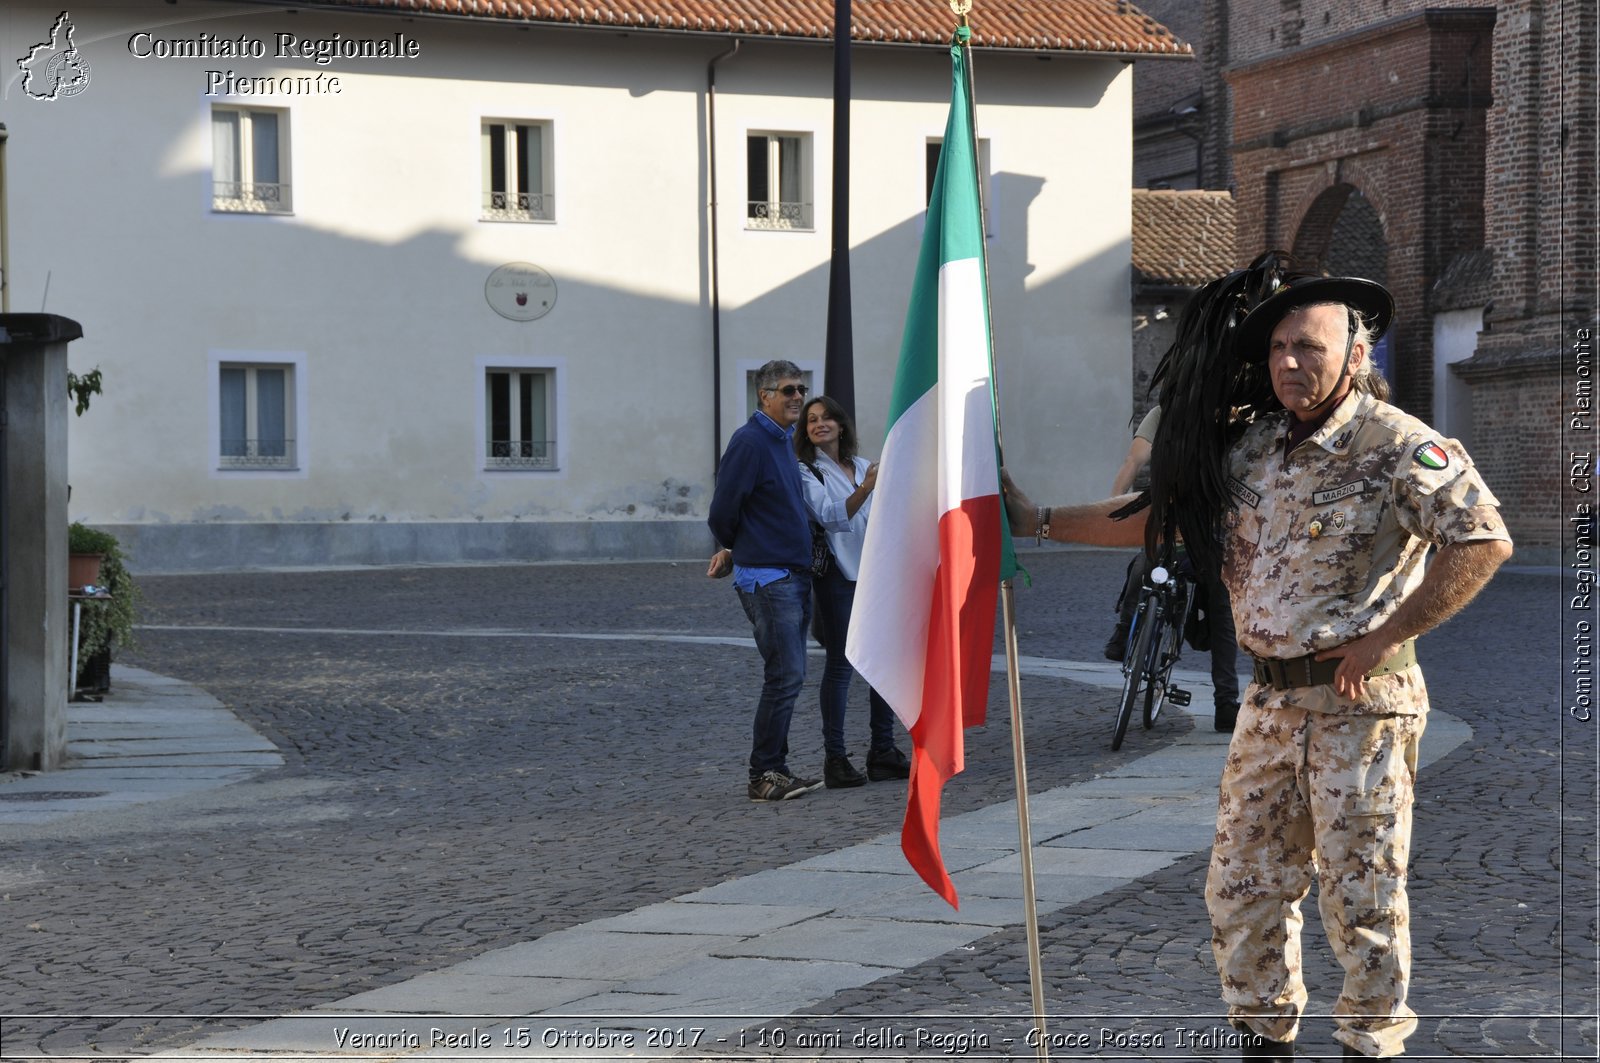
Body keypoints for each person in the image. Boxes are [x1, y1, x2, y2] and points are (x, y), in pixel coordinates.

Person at [1004, 269, 1513, 1060]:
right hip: (1270, 708)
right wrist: (1034, 521)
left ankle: (1367, 1047)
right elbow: (1159, 520)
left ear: (1355, 352)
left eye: (1308, 346)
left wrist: (1385, 635)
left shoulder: (1398, 443)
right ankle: (1263, 1041)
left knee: (1363, 897)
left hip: (1362, 708)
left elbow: (1482, 539)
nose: (1289, 362)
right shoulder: (1252, 447)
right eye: (1277, 348)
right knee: (1241, 889)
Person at [707, 360, 825, 802]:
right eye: (789, 390)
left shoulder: (782, 442)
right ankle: (764, 774)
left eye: (802, 388)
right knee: (785, 675)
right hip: (769, 579)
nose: (798, 396)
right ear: (765, 395)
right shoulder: (751, 442)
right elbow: (722, 512)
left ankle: (776, 768)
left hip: (791, 575)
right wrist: (745, 548)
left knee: (789, 676)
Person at [793, 394, 912, 789]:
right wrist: (865, 488)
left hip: (877, 573)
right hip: (838, 577)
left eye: (827, 418)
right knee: (842, 667)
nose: (819, 424)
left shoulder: (863, 465)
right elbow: (830, 516)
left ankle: (883, 750)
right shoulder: (807, 470)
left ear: (842, 426)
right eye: (812, 420)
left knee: (883, 663)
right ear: (806, 431)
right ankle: (836, 758)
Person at [1105, 404, 1243, 732]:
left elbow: (1133, 462)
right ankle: (1125, 631)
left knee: (1219, 605)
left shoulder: (1233, 419)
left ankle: (1226, 701)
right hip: (1178, 527)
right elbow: (1134, 461)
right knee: (1146, 567)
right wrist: (1110, 511)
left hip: (1209, 534)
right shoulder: (1167, 414)